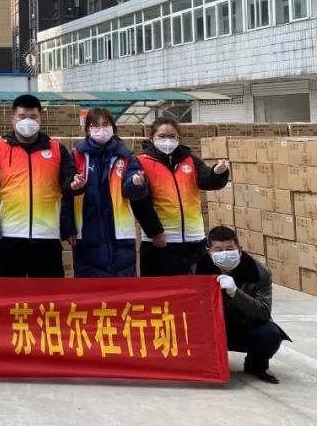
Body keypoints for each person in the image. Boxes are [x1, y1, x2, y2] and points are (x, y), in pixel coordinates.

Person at [0, 94, 82, 278]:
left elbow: (68, 186)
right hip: (9, 236)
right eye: (22, 116)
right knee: (9, 293)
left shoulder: (57, 149)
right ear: (13, 119)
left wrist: (75, 185)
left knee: (49, 294)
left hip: (47, 236)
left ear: (40, 119)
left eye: (33, 117)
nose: (27, 121)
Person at [71, 108, 164, 277]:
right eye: (95, 125)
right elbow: (65, 193)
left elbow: (138, 197)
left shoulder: (126, 157)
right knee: (90, 287)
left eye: (105, 124)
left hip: (120, 235)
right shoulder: (77, 156)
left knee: (123, 284)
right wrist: (68, 227)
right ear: (88, 129)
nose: (101, 129)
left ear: (113, 128)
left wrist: (136, 184)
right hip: (88, 231)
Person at [135, 117, 230, 276]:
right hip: (160, 242)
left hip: (194, 239)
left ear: (178, 138)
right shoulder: (141, 162)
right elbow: (140, 202)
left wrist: (217, 172)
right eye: (162, 136)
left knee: (196, 287)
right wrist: (155, 232)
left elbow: (206, 180)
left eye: (172, 136)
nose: (167, 141)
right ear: (152, 138)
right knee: (163, 289)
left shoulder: (190, 160)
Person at [194, 226, 291, 384]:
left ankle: (256, 366)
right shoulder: (197, 270)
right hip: (211, 328)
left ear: (239, 250)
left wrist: (235, 293)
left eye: (229, 249)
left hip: (244, 326)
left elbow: (263, 312)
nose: (225, 253)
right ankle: (203, 364)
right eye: (218, 250)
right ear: (209, 252)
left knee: (269, 334)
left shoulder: (258, 272)